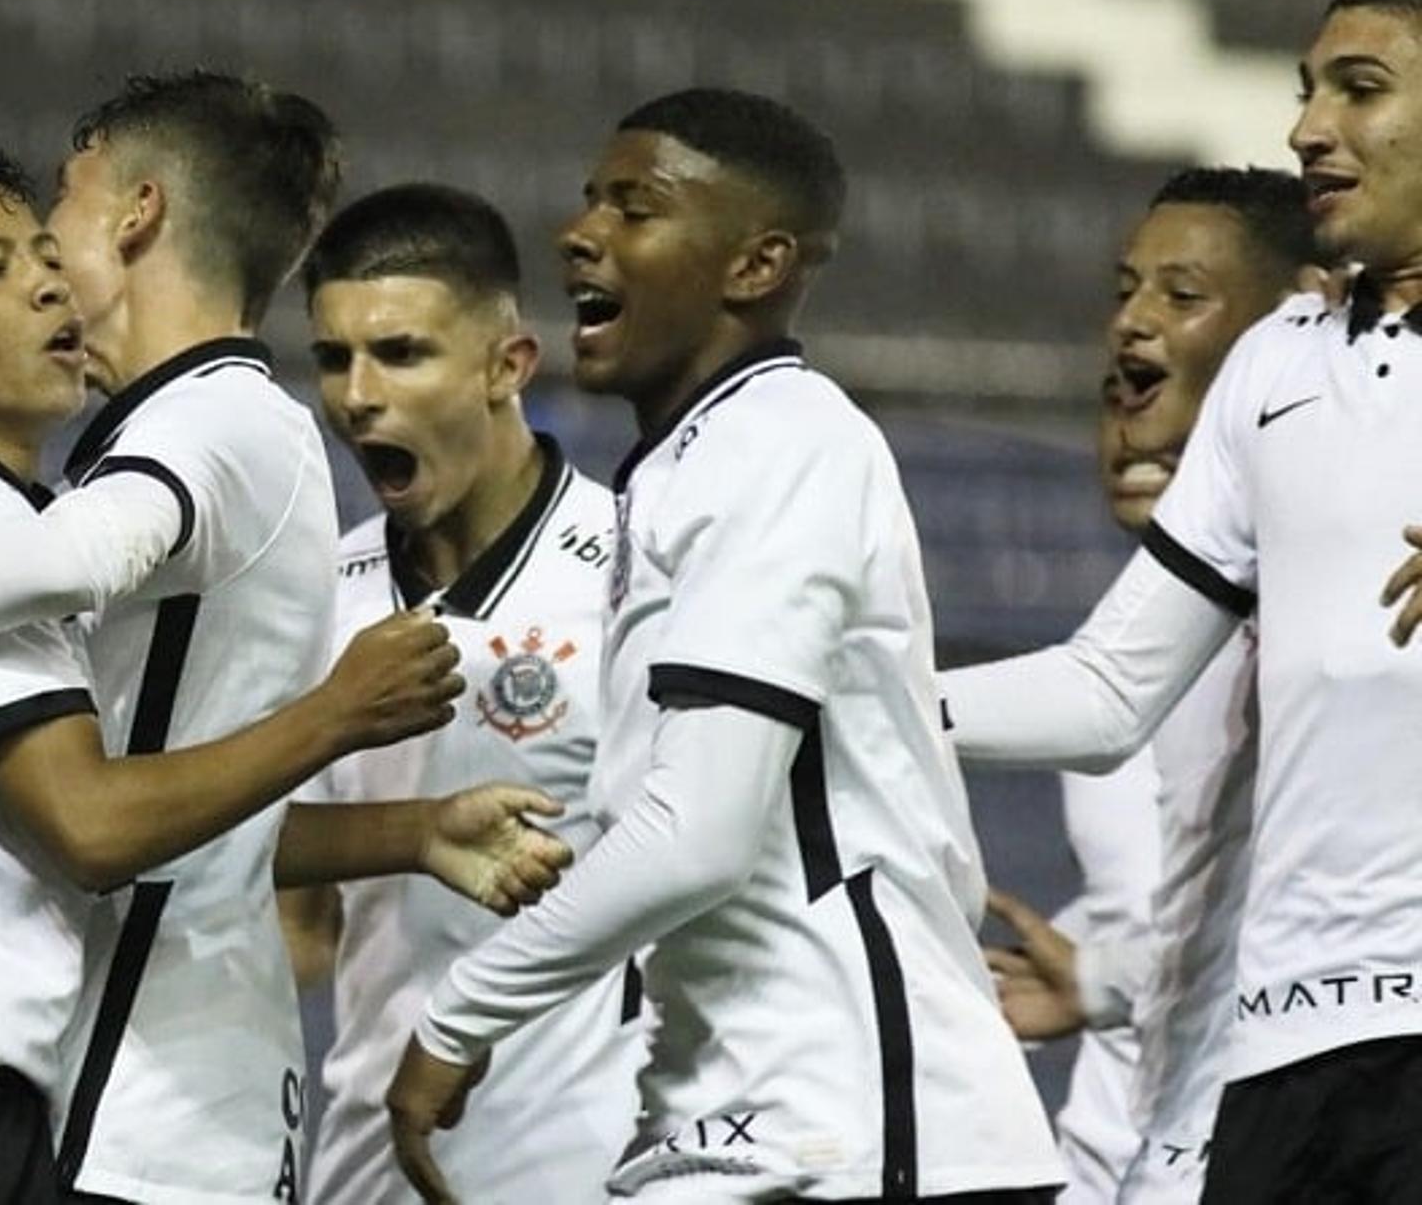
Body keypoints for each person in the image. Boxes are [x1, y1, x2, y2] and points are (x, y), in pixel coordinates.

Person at [0, 71, 570, 1205]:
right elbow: (131, 807)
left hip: (158, 1103)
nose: (44, 266)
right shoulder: (19, 492)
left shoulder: (198, 431)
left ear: (132, 214)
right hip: (83, 1091)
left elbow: (100, 763)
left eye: (54, 221)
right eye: (1, 262)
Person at [384, 87, 1064, 1203]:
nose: (580, 231)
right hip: (745, 1119)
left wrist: (463, 1010)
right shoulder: (690, 466)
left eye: (635, 207)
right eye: (589, 198)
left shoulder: (778, 443)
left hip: (855, 1133)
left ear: (755, 266)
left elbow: (698, 831)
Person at [940, 0, 1422, 1202]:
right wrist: (848, 700)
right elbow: (1110, 687)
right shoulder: (1276, 365)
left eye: (1358, 89)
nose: (1308, 127)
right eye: (1307, 92)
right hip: (1282, 1050)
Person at [278, 183, 643, 1204]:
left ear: (508, 364)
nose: (356, 395)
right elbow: (299, 925)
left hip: (595, 1159)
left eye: (400, 353)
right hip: (368, 1157)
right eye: (332, 357)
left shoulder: (635, 576)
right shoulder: (312, 603)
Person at [981, 167, 1322, 1204]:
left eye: (1182, 295)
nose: (1132, 327)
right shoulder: (1122, 650)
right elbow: (1187, 902)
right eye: (1126, 290)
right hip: (1137, 1147)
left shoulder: (1329, 620)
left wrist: (843, 696)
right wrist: (1099, 968)